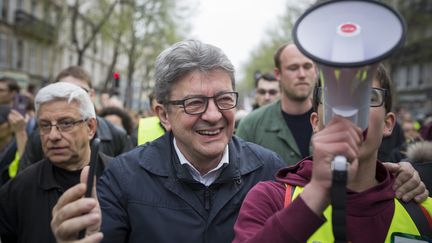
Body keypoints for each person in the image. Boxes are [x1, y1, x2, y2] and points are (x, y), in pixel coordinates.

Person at [51, 39, 287, 243]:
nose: (214, 115)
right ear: (163, 115)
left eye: (224, 99)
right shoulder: (122, 178)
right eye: (194, 103)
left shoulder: (268, 169)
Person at [233, 64, 432, 243]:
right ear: (315, 123)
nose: (351, 112)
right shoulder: (270, 200)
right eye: (335, 98)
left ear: (388, 124)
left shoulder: (424, 210)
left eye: (368, 97)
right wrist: (318, 192)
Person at [0, 82, 103, 243]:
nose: (53, 135)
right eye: (45, 125)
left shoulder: (120, 178)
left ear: (90, 127)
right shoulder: (18, 189)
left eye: (66, 123)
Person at [18, 66, 133, 172]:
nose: (53, 136)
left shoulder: (116, 136)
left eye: (78, 91)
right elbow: (23, 184)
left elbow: (128, 178)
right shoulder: (38, 137)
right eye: (61, 90)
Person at [236, 43, 316, 165]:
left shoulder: (332, 120)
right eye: (293, 68)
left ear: (315, 70)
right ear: (278, 74)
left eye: (307, 66)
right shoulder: (251, 125)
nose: (302, 74)